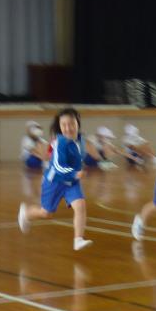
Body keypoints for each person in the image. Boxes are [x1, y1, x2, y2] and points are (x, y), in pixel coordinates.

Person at [17, 107, 93, 251]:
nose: (68, 128)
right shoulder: (60, 143)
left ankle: (78, 239)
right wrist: (75, 173)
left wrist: (77, 172)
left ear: (77, 123)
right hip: (54, 181)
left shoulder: (81, 140)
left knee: (80, 205)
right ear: (60, 126)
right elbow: (58, 166)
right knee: (46, 213)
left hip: (71, 182)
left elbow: (78, 159)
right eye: (64, 125)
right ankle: (26, 213)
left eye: (71, 123)